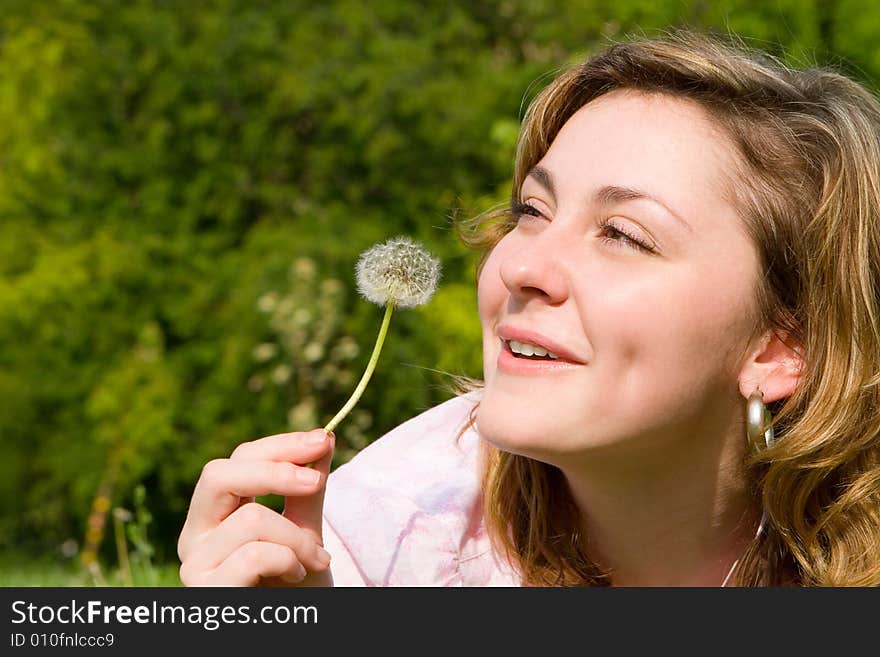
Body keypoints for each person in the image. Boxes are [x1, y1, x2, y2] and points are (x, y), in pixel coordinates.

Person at [177, 29, 880, 587]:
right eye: (532, 210)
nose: (518, 264)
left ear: (782, 347)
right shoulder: (381, 544)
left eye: (622, 235)